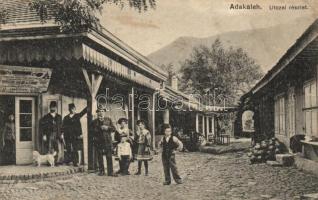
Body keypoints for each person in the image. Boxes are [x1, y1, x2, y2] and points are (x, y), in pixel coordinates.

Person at [91, 108, 117, 176]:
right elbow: (91, 131)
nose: (101, 113)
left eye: (102, 111)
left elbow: (114, 129)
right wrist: (100, 128)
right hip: (98, 141)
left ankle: (110, 172)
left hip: (107, 140)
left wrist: (107, 128)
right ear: (97, 113)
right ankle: (101, 171)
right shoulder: (94, 121)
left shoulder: (108, 119)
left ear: (104, 112)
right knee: (100, 156)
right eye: (99, 111)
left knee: (109, 156)